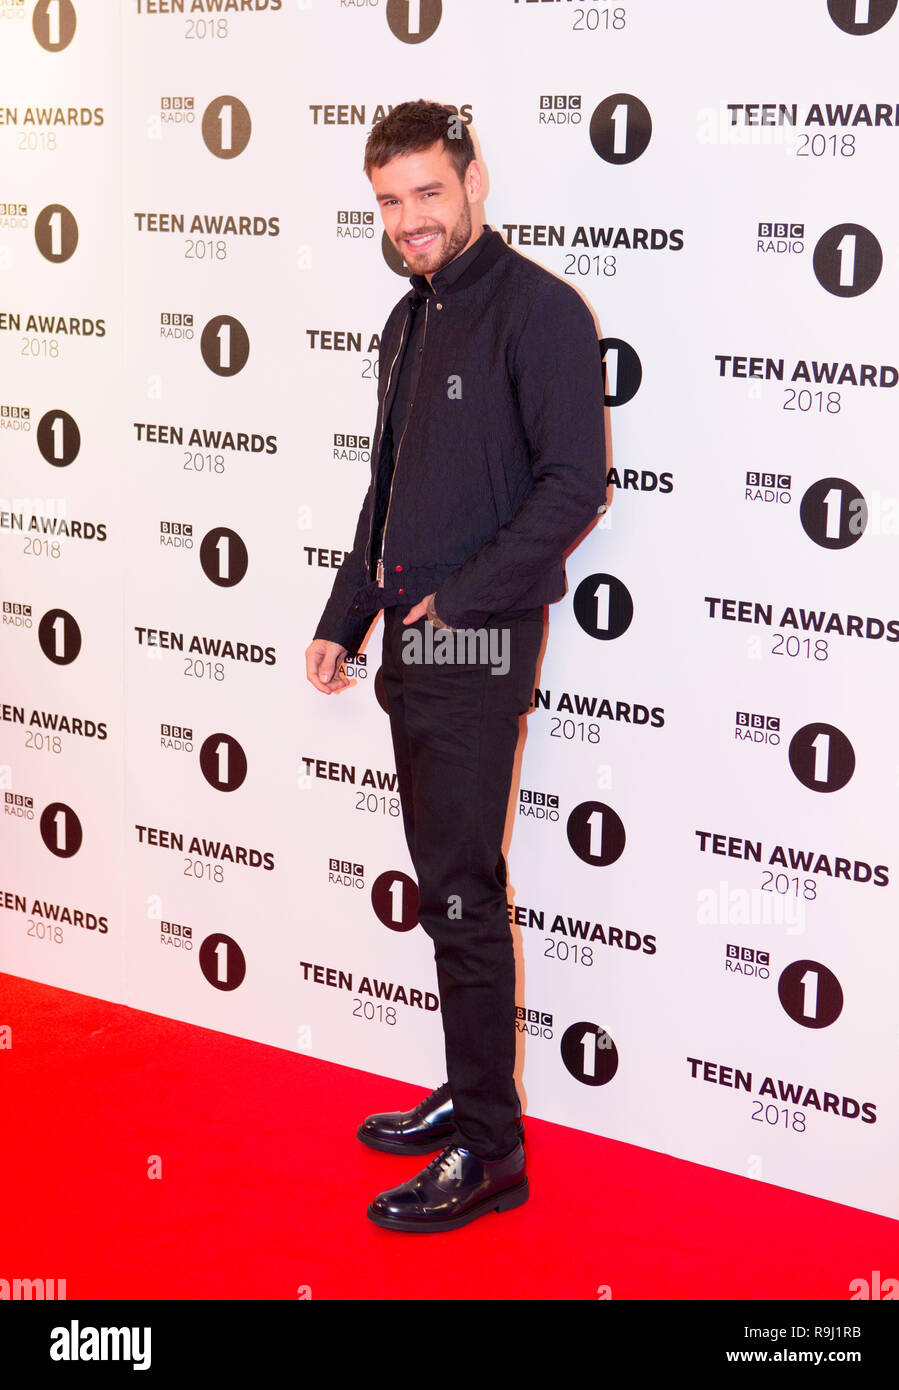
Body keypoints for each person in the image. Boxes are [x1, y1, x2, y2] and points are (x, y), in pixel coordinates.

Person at [305, 99, 607, 1233]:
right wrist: (348, 613)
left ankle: (491, 1150)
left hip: (474, 643)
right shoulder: (405, 316)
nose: (409, 220)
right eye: (389, 202)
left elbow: (573, 487)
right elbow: (384, 485)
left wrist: (451, 602)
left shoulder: (539, 312)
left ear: (473, 179)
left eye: (428, 193)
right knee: (446, 891)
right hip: (409, 642)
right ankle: (471, 1089)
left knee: (461, 896)